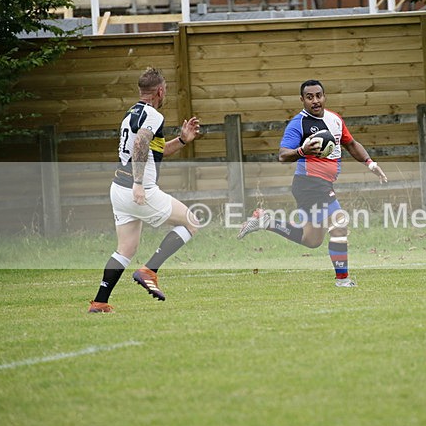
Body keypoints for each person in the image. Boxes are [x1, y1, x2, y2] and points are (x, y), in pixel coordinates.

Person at [237, 79, 388, 286]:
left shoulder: (334, 119)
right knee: (339, 224)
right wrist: (302, 151)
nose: (315, 101)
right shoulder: (297, 124)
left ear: (324, 96)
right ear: (302, 100)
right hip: (310, 184)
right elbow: (282, 155)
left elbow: (350, 143)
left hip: (319, 185)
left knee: (312, 240)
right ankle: (342, 280)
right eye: (310, 97)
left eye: (319, 95)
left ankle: (266, 221)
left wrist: (371, 164)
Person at [88, 67, 202, 313]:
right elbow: (141, 142)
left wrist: (182, 140)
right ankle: (149, 271)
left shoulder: (130, 114)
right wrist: (139, 184)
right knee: (192, 221)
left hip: (118, 189)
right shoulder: (152, 115)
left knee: (125, 249)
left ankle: (99, 302)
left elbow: (151, 151)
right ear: (160, 91)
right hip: (138, 190)